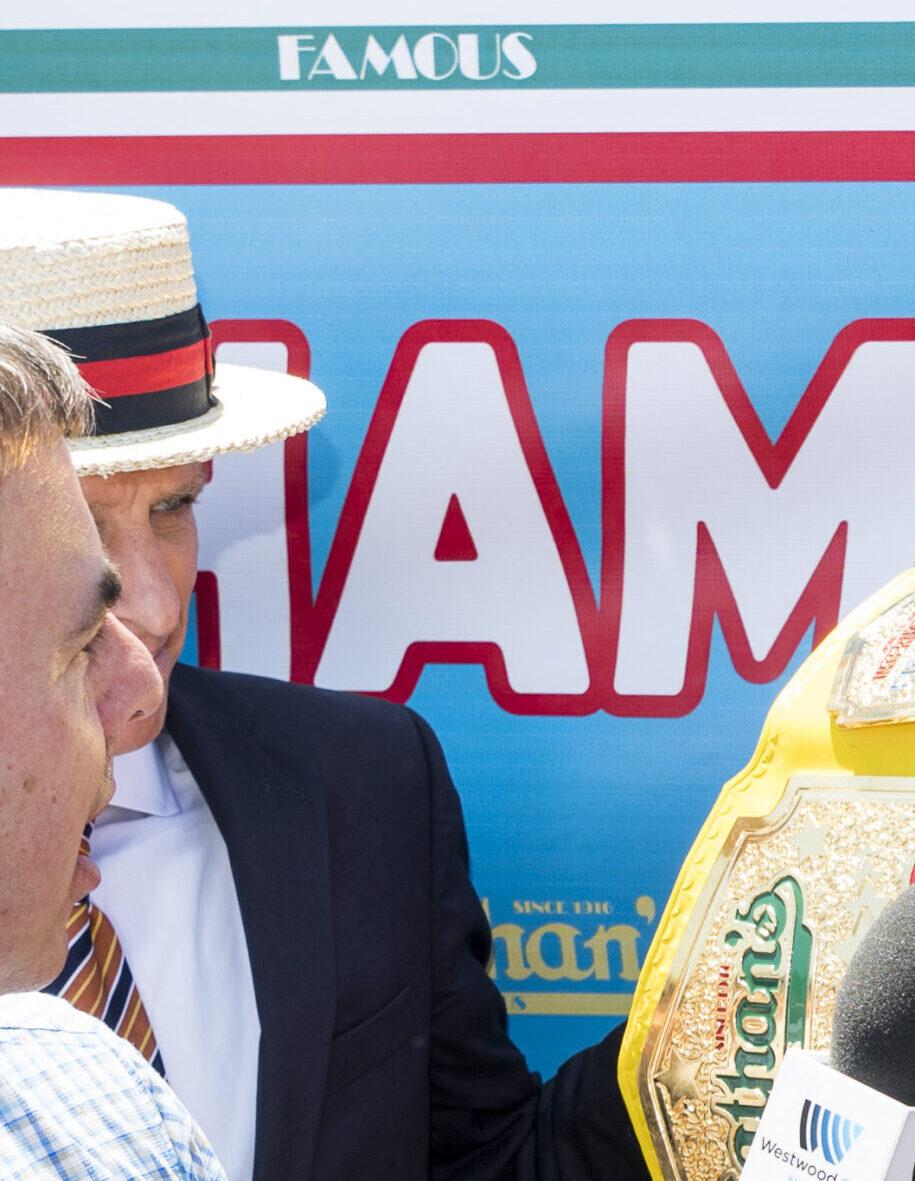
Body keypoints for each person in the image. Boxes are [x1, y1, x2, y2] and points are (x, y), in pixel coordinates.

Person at [2, 188, 646, 1179]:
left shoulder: (364, 786)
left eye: (175, 503)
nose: (157, 604)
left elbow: (487, 1160)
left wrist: (707, 1030)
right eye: (84, 522)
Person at [0, 320, 224, 1178]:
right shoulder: (81, 1088)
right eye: (81, 639)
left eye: (176, 505)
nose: (142, 683)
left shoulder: (90, 1099)